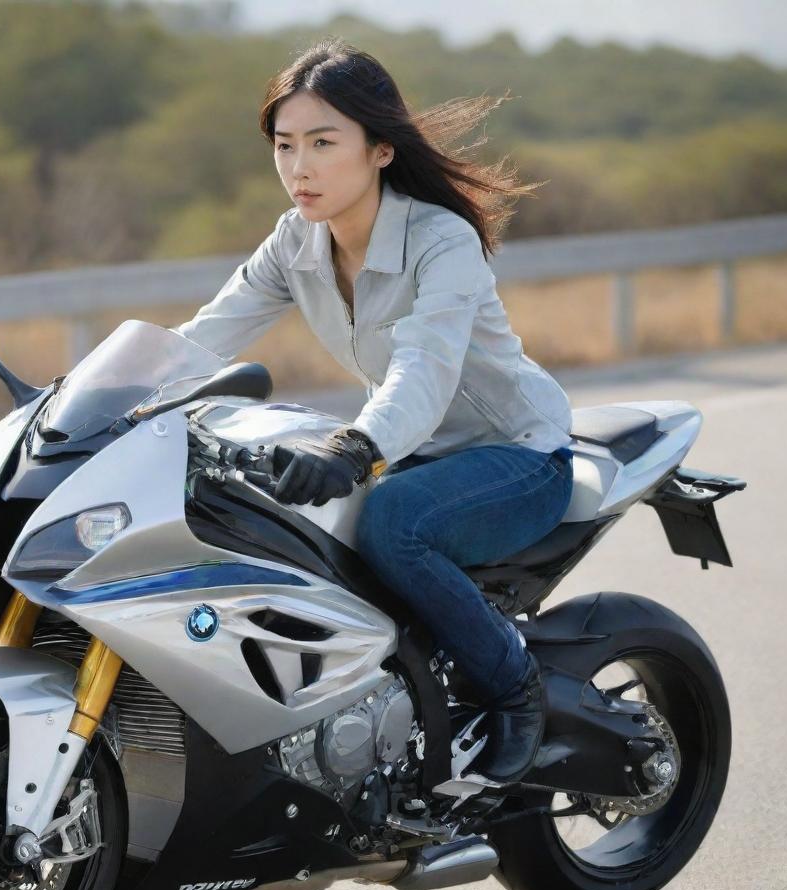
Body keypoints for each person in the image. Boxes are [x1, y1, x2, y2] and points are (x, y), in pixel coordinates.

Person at [171, 39, 575, 786]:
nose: (300, 166)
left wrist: (355, 446)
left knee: (393, 523)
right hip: (414, 450)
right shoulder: (296, 243)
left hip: (516, 453)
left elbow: (426, 367)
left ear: (380, 149)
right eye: (285, 145)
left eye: (324, 143)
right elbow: (202, 338)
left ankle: (515, 688)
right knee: (277, 525)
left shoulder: (440, 241)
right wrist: (83, 398)